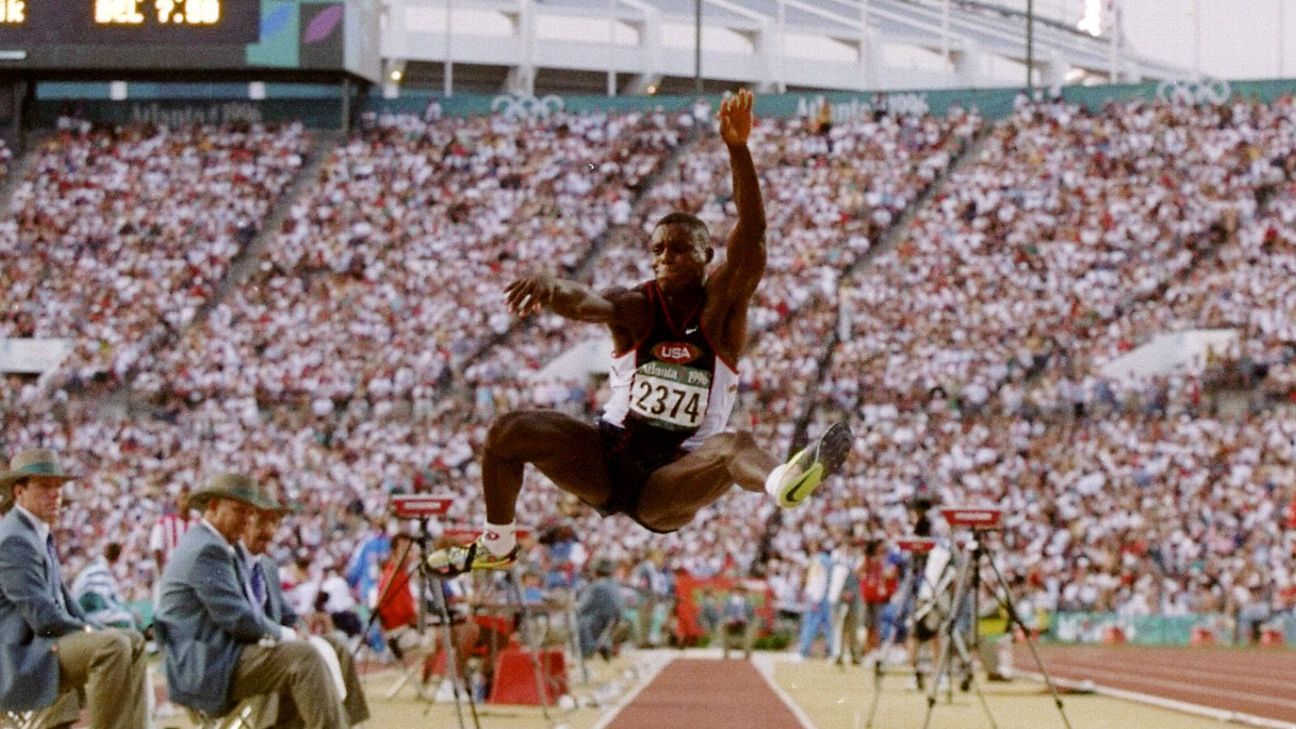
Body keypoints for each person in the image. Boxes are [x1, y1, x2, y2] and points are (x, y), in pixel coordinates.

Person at [427, 89, 852, 575]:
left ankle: (782, 482)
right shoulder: (635, 305)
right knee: (508, 432)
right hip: (609, 455)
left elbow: (752, 233)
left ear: (706, 257)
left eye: (678, 249)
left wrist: (738, 149)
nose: (665, 258)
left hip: (672, 477)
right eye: (658, 250)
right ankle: (496, 545)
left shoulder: (722, 312)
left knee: (735, 444)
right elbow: (586, 303)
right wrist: (551, 285)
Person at [154, 473, 348, 728]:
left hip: (216, 657)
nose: (246, 520)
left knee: (300, 658)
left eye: (249, 513)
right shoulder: (207, 549)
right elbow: (236, 616)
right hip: (206, 667)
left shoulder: (212, 544)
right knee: (303, 657)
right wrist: (288, 635)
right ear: (213, 506)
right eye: (239, 511)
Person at [0, 449, 150, 729]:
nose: (55, 494)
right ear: (19, 492)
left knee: (132, 640)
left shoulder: (37, 534)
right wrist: (91, 631)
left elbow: (69, 605)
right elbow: (43, 618)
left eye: (58, 486)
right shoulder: (14, 538)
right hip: (20, 656)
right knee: (112, 646)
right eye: (45, 486)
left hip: (43, 646)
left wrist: (97, 628)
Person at [242, 500, 371, 726]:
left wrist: (300, 628)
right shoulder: (228, 562)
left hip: (277, 643)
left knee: (337, 646)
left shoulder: (268, 566)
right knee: (303, 656)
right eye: (261, 524)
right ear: (243, 524)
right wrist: (287, 636)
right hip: (251, 650)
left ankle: (349, 723)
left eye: (273, 524)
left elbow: (287, 613)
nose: (269, 532)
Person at [71, 541, 138, 630]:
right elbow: (100, 600)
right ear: (118, 557)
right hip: (87, 614)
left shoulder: (99, 567)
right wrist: (127, 610)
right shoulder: (98, 569)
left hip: (88, 612)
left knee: (129, 615)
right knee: (127, 618)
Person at [575, 558, 624, 659]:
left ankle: (588, 652)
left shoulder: (596, 586)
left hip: (601, 620)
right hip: (615, 618)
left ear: (595, 572)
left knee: (582, 622)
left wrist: (576, 608)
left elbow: (584, 606)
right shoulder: (615, 584)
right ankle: (604, 646)